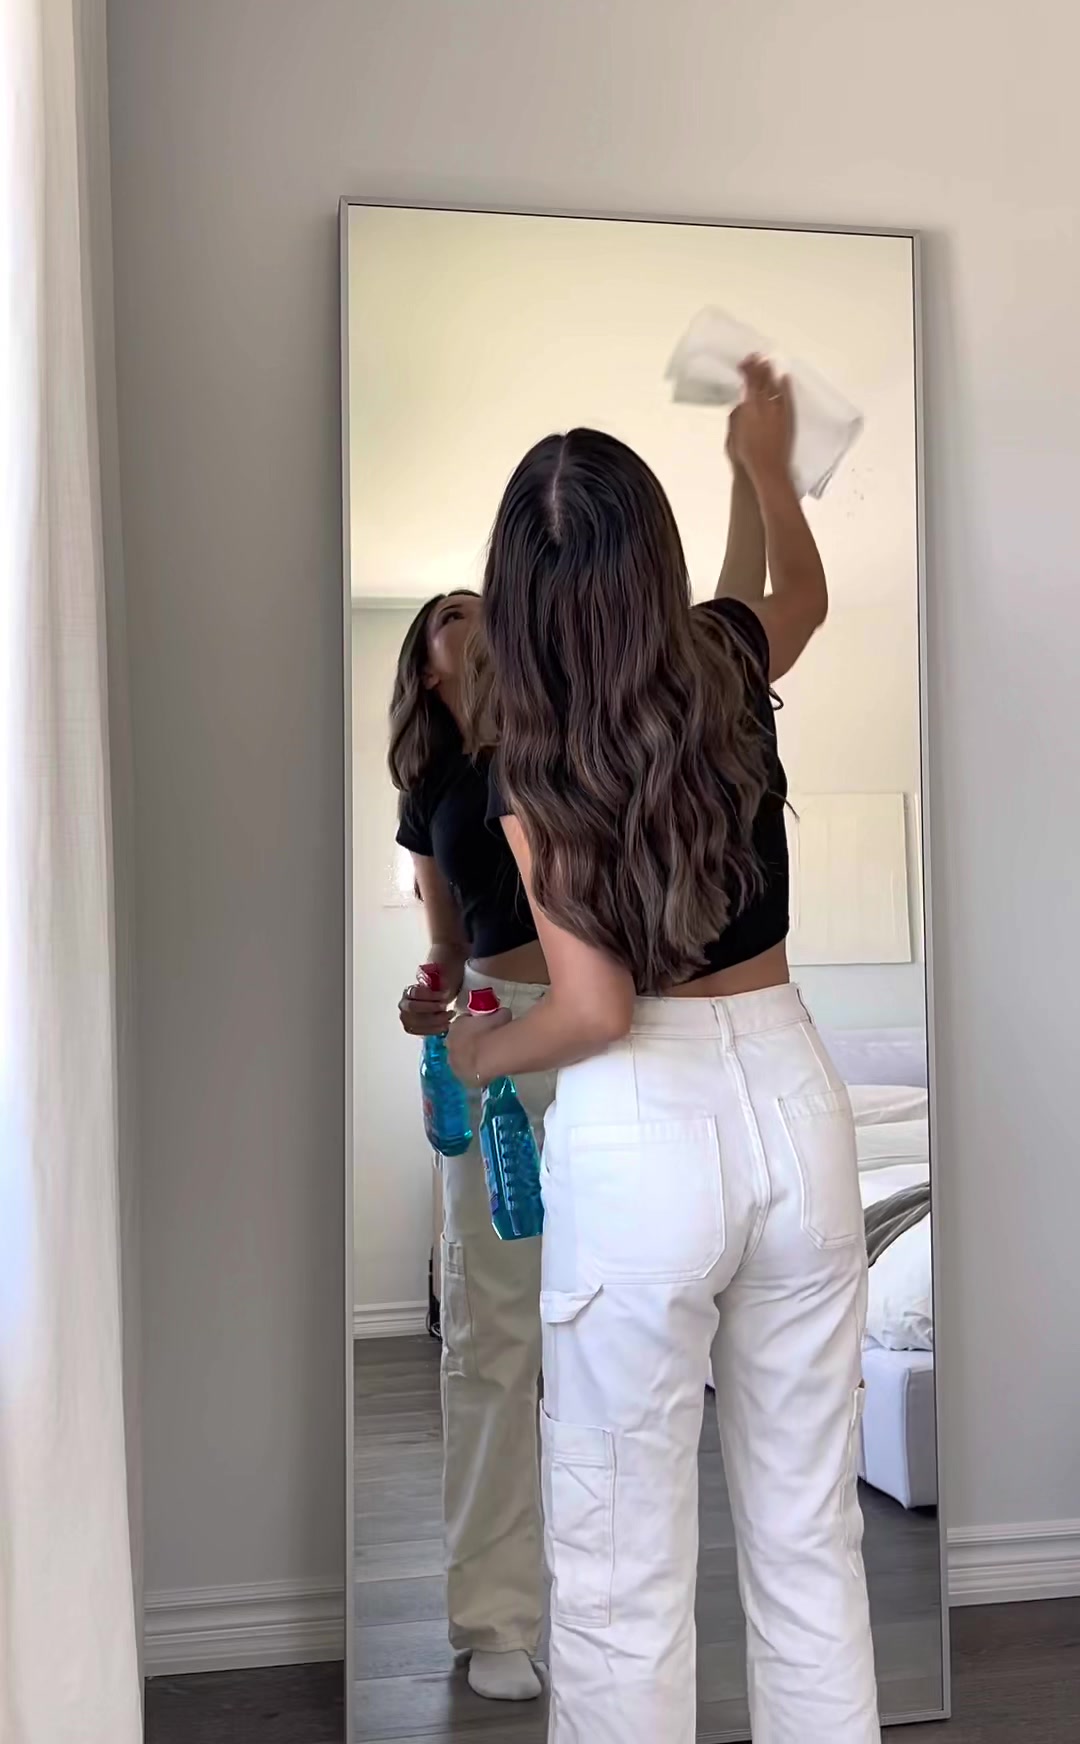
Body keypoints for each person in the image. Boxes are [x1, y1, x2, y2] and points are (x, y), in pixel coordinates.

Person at [447, 362, 880, 1744]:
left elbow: (592, 1011)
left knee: (624, 1575)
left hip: (648, 1140)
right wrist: (764, 466)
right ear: (656, 560)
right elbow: (796, 593)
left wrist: (479, 1054)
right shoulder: (722, 663)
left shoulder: (534, 756)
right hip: (796, 1102)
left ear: (519, 594)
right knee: (809, 1544)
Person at [390, 590, 552, 1703]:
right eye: (452, 612)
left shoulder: (566, 733)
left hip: (609, 1034)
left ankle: (614, 1593)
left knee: (618, 1322)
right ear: (428, 665)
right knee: (492, 1334)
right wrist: (427, 997)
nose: (476, 611)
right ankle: (495, 1615)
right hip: (492, 1046)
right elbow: (446, 948)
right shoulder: (433, 791)